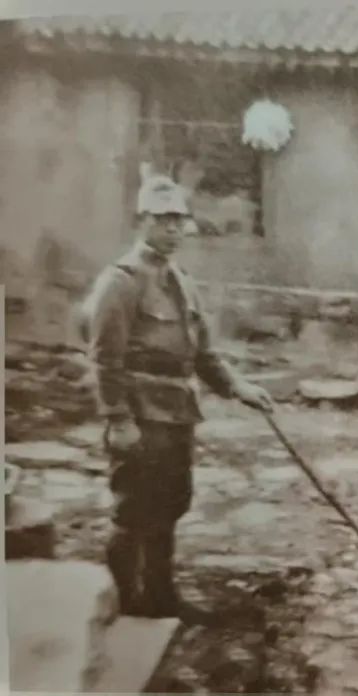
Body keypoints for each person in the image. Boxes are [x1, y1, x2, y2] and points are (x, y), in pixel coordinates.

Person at [81, 173, 274, 623]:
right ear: (141, 221)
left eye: (178, 220)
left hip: (176, 413)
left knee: (169, 504)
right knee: (133, 509)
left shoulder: (182, 282)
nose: (173, 228)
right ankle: (127, 605)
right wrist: (118, 419)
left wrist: (238, 387)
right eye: (162, 219)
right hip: (139, 413)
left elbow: (203, 354)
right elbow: (105, 359)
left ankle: (162, 598)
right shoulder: (121, 281)